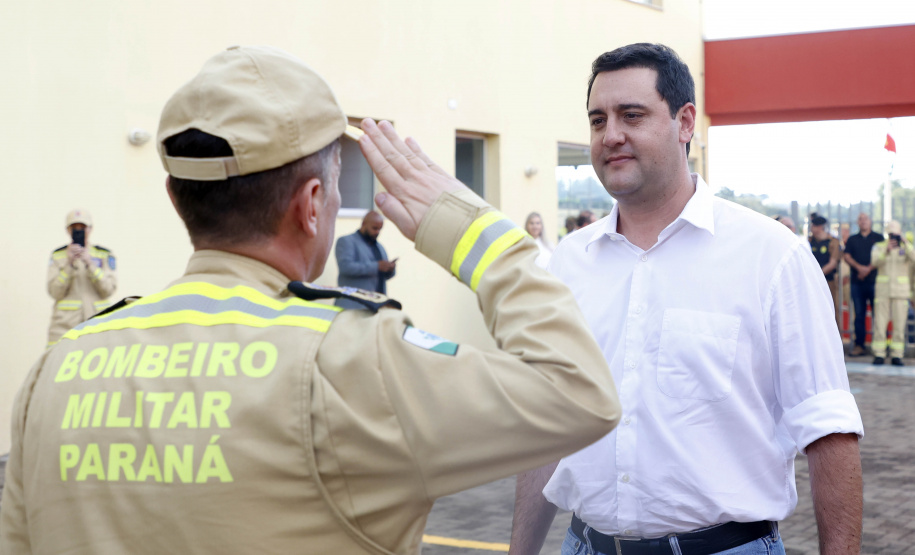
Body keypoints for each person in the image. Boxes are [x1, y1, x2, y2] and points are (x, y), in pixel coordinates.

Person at [0, 46, 621, 555]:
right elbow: (581, 394)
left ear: (175, 197)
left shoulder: (54, 371)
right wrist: (475, 234)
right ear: (314, 203)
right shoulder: (353, 360)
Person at [510, 43, 863, 555]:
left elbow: (828, 429)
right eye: (597, 120)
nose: (611, 135)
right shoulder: (569, 262)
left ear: (685, 122)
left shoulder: (771, 256)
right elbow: (549, 424)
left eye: (632, 115)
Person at [46, 208, 117, 345]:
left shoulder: (103, 255)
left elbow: (108, 290)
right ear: (68, 230)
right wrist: (69, 265)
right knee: (58, 357)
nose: (79, 231)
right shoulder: (58, 256)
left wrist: (90, 264)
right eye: (74, 228)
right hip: (64, 326)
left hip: (98, 323)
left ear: (90, 229)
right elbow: (54, 292)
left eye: (82, 228)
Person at [870, 220, 914, 366]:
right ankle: (879, 354)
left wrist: (906, 243)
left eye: (896, 234)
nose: (893, 237)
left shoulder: (906, 247)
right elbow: (874, 262)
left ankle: (897, 355)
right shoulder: (879, 246)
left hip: (900, 292)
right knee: (880, 324)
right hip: (883, 291)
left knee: (899, 325)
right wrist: (886, 251)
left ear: (900, 233)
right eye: (890, 234)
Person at [334, 210, 396, 309]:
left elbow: (382, 276)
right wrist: (377, 266)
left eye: (380, 229)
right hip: (352, 306)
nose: (377, 232)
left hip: (376, 306)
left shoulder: (379, 247)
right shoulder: (346, 241)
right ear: (364, 224)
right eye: (374, 228)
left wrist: (390, 269)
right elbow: (345, 267)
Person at [844, 212, 885, 356]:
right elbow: (847, 256)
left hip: (875, 282)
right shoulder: (852, 239)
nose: (863, 221)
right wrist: (859, 268)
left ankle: (879, 347)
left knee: (878, 315)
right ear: (858, 222)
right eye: (860, 219)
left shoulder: (878, 238)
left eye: (866, 219)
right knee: (859, 315)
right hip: (857, 282)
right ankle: (859, 345)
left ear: (870, 221)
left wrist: (868, 269)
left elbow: (883, 256)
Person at [809, 213, 842, 330]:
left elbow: (832, 263)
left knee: (830, 308)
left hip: (828, 282)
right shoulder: (809, 241)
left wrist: (817, 275)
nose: (811, 228)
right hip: (811, 282)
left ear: (819, 227)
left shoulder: (833, 242)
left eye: (813, 226)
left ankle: (835, 335)